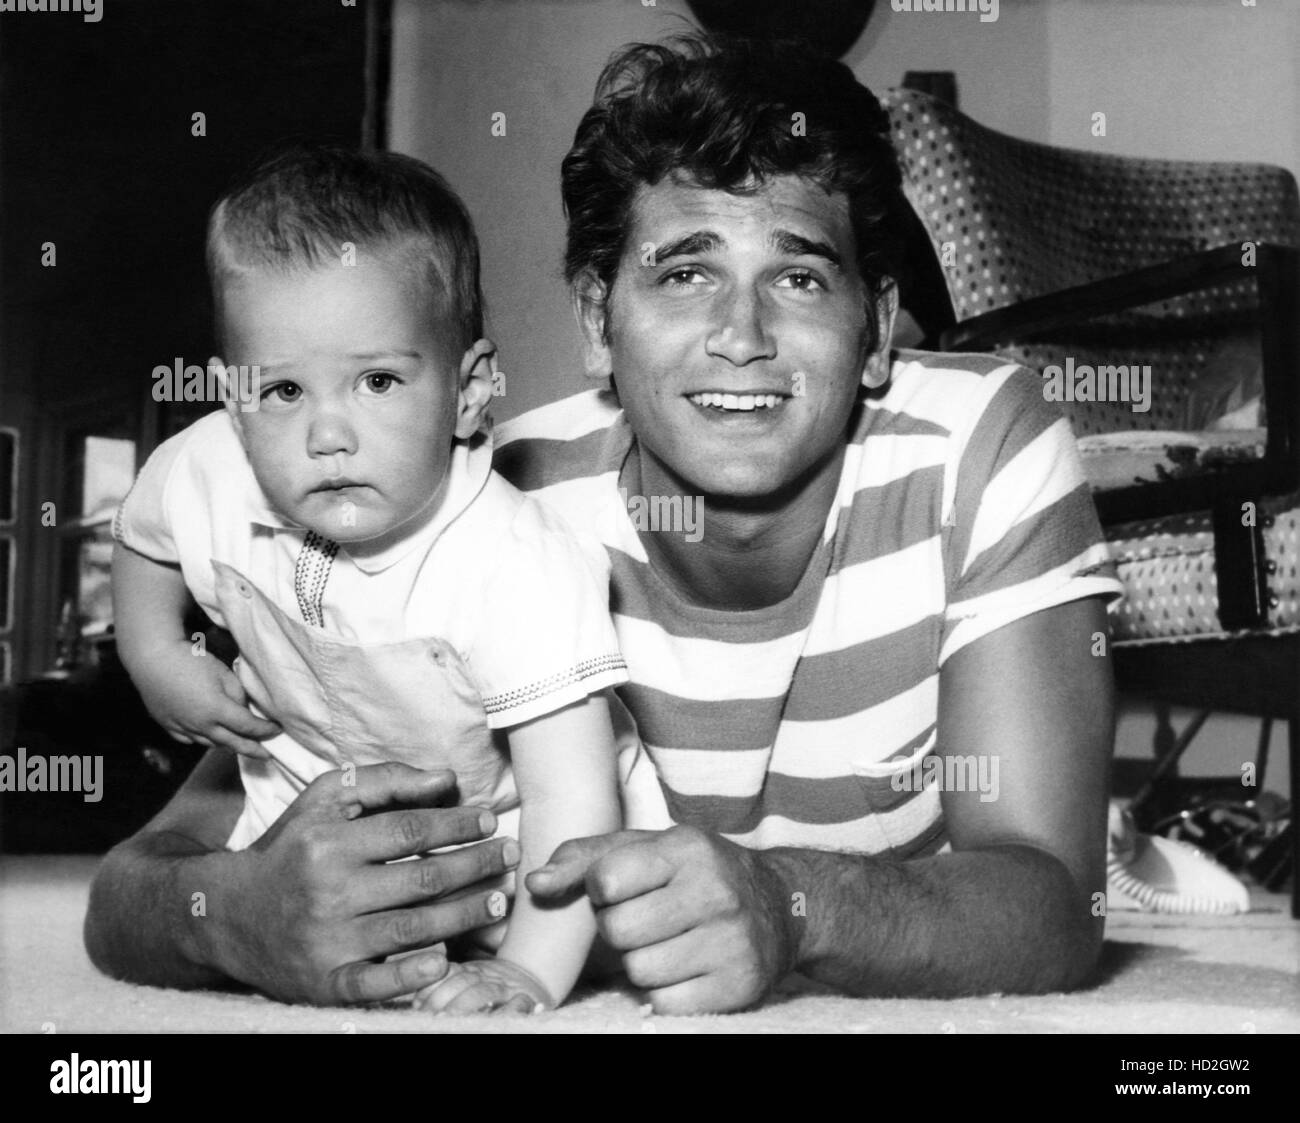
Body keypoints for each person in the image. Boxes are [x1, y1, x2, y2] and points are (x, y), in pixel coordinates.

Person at [86, 33, 1121, 1015]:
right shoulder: (482, 499)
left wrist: (790, 904)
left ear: (877, 325)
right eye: (685, 272)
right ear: (595, 321)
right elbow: (145, 874)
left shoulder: (981, 446)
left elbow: (1056, 904)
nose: (741, 336)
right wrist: (231, 913)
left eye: (799, 276)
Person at [107, 145, 667, 1014]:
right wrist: (155, 654)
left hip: (516, 826)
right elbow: (143, 538)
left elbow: (574, 795)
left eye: (376, 380)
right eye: (282, 390)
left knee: (623, 932)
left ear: (471, 390)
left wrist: (528, 969)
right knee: (218, 912)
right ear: (229, 395)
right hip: (312, 777)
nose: (327, 432)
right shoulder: (208, 466)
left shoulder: (515, 562)